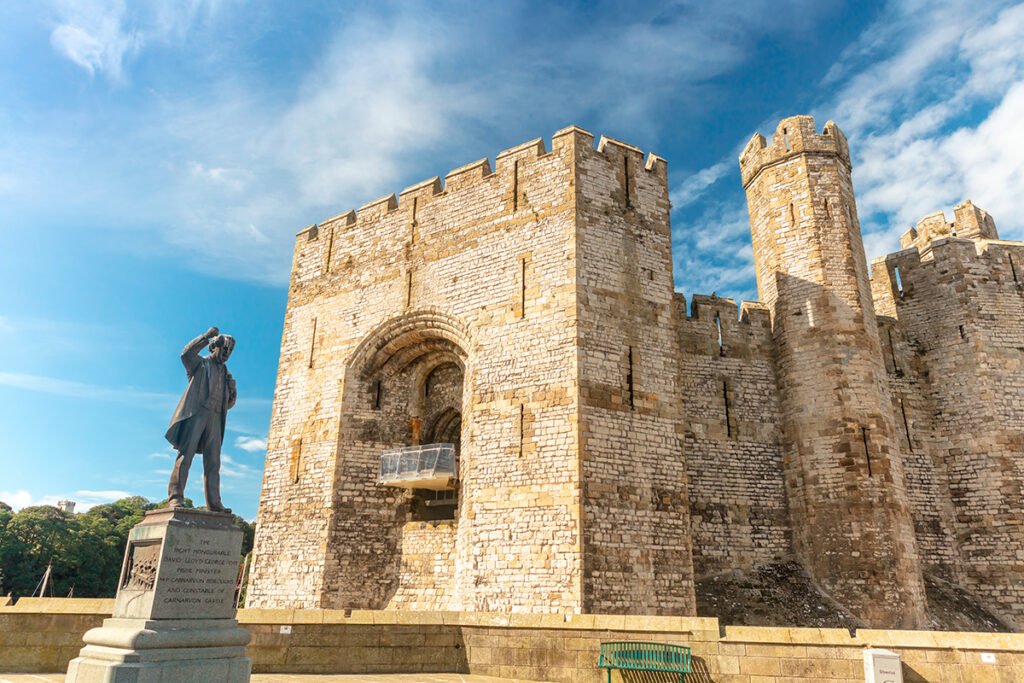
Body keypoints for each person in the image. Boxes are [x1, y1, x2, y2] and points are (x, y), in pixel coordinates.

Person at [165, 326, 237, 513]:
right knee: (185, 457)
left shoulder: (226, 373)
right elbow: (185, 354)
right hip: (197, 413)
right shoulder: (200, 364)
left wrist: (233, 392)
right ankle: (175, 498)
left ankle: (214, 503)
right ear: (214, 348)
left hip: (215, 418)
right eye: (225, 349)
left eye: (230, 351)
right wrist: (206, 336)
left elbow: (227, 404)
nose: (227, 354)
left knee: (213, 463)